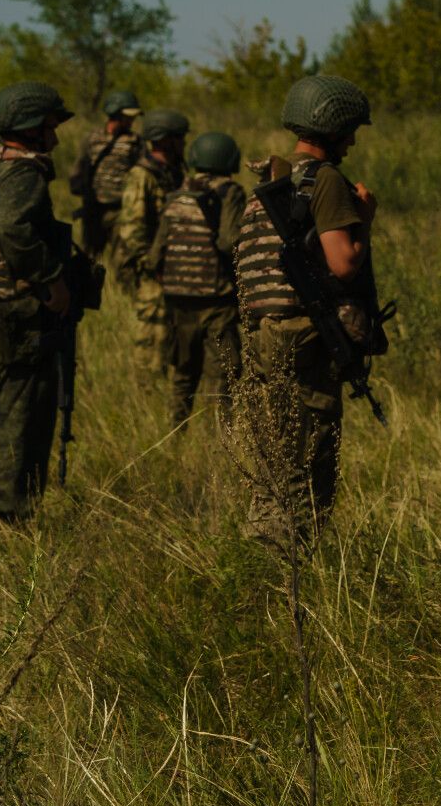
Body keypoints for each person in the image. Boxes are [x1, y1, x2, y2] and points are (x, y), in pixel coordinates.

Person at [233, 75, 381, 543]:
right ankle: (292, 567)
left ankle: (266, 557)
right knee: (308, 461)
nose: (353, 141)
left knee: (272, 457)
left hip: (262, 336)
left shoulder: (270, 184)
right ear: (332, 128)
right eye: (350, 131)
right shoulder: (325, 180)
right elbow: (342, 263)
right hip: (305, 338)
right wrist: (366, 221)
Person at [0, 82, 83, 522]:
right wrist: (51, 280)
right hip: (14, 313)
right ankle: (8, 513)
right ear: (30, 129)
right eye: (50, 127)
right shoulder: (24, 171)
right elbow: (11, 228)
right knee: (20, 411)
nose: (55, 138)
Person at [154, 130, 246, 425]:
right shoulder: (230, 192)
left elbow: (155, 255)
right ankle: (225, 435)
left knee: (184, 369)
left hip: (178, 299)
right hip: (216, 298)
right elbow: (227, 241)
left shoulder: (177, 195)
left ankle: (176, 430)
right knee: (226, 371)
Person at [113, 107, 189, 373]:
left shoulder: (175, 171)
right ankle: (147, 394)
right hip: (154, 272)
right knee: (152, 339)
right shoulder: (142, 175)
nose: (183, 143)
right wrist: (151, 265)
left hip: (174, 267)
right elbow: (133, 228)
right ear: (165, 139)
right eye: (179, 138)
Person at [68, 89, 145, 267]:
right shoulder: (92, 138)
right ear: (115, 113)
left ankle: (120, 292)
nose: (131, 120)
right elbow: (79, 167)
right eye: (128, 116)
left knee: (124, 258)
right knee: (88, 259)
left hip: (121, 209)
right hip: (94, 209)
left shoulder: (135, 141)